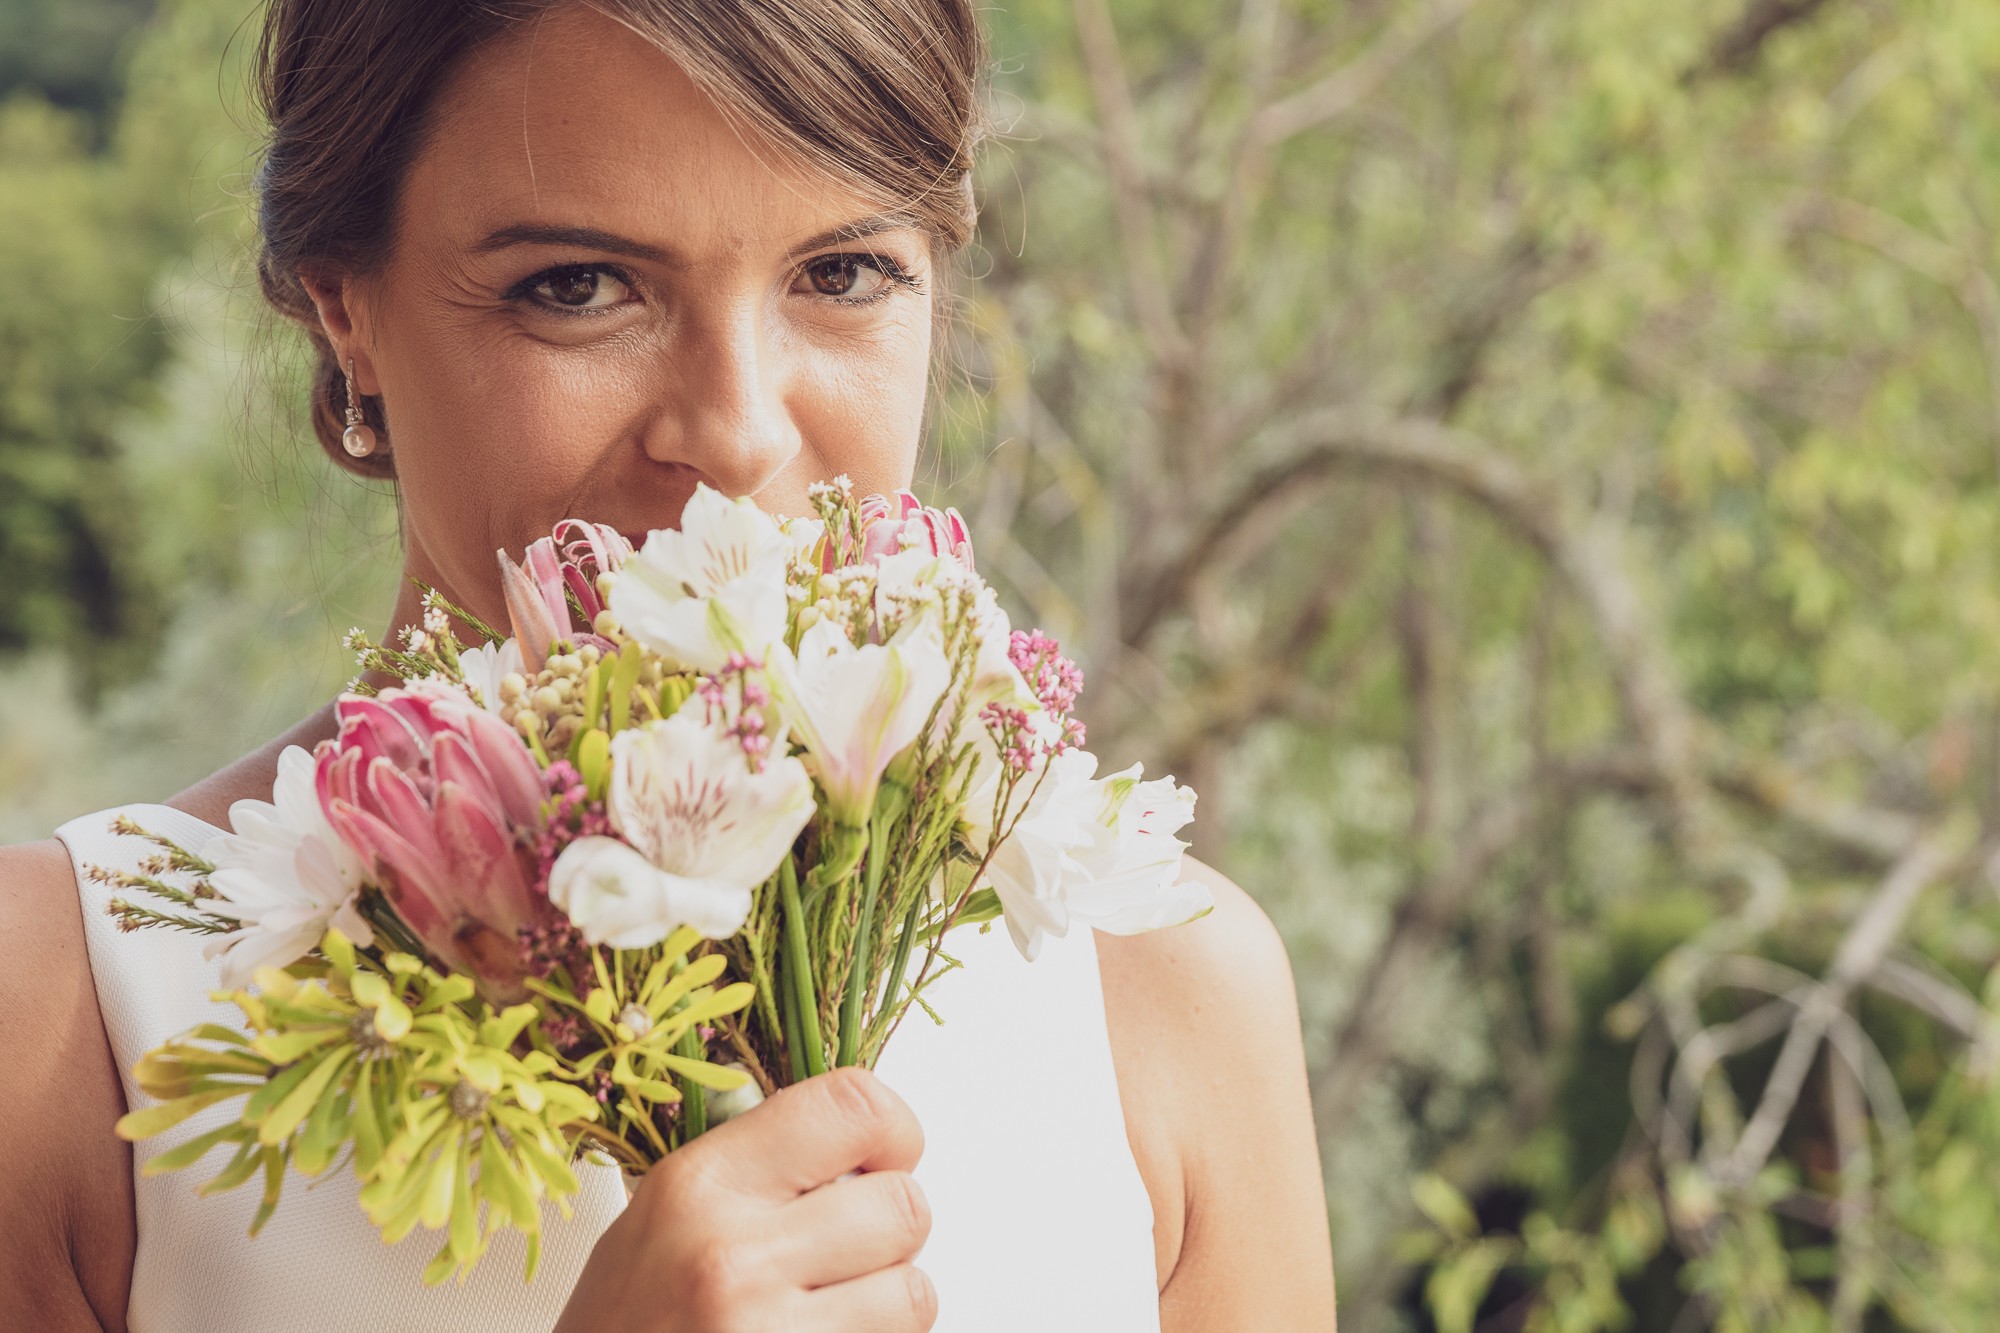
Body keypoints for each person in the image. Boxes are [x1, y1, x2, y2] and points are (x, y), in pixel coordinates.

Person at [0, 2, 1336, 1328]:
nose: (740, 432)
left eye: (843, 274)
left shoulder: (1165, 990)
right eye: (577, 287)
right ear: (345, 306)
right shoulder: (67, 1019)